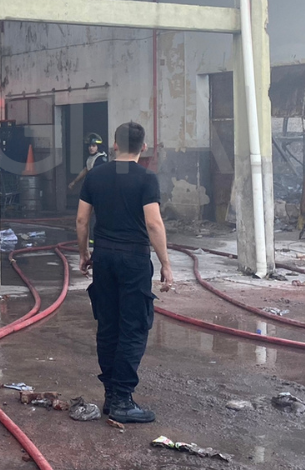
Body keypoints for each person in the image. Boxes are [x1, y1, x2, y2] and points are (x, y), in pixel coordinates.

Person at [75, 122, 173, 424]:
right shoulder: (146, 178)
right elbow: (154, 224)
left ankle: (110, 395)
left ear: (115, 145)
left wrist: (84, 253)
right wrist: (166, 264)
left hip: (103, 258)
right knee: (133, 328)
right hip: (133, 260)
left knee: (108, 326)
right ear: (143, 148)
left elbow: (81, 220)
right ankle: (122, 400)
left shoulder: (96, 175)